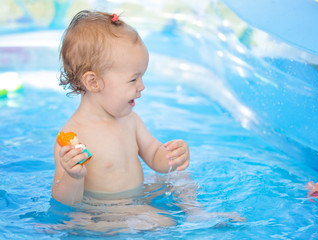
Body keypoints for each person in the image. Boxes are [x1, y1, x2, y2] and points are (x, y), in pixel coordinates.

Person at [52, 10, 243, 231]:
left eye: (142, 77)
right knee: (164, 222)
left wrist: (172, 156)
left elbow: (154, 156)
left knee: (178, 176)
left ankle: (196, 213)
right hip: (104, 210)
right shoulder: (72, 137)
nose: (142, 86)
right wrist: (72, 177)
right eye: (133, 79)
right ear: (93, 82)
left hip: (139, 197)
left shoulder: (130, 119)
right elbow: (65, 201)